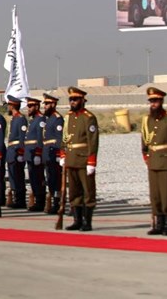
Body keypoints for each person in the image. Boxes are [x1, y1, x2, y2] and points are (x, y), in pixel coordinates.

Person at [60, 87, 99, 232]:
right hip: (71, 159)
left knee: (88, 192)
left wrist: (91, 161)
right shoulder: (68, 117)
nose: (73, 102)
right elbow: (64, 137)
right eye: (71, 99)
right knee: (74, 192)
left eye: (75, 99)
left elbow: (93, 141)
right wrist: (63, 154)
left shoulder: (89, 118)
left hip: (84, 160)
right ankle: (77, 220)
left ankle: (87, 222)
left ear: (82, 100)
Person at [142, 87, 167, 235]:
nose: (153, 104)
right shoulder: (147, 120)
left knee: (166, 194)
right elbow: (144, 143)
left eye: (156, 101)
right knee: (155, 194)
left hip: (166, 161)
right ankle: (158, 223)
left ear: (161, 101)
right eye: (151, 101)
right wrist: (146, 157)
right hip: (153, 161)